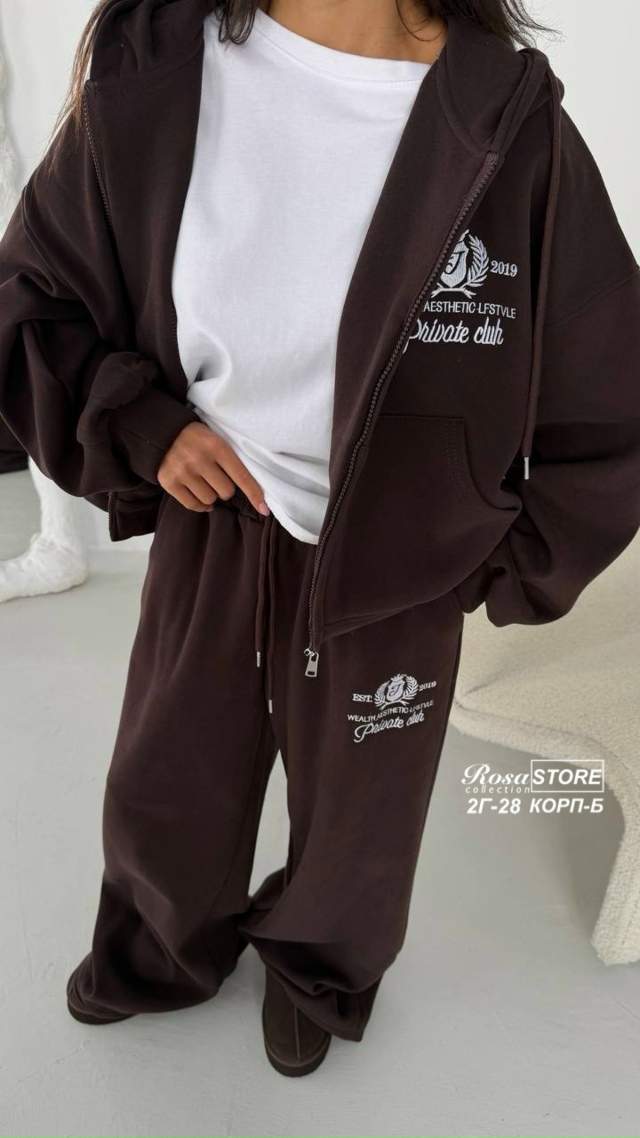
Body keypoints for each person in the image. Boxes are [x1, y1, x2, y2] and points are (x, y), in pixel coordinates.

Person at [1, 0, 639, 1078]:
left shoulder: (504, 116)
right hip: (217, 511)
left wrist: (500, 553)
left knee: (362, 815)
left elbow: (605, 368)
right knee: (170, 771)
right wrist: (144, 426)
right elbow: (36, 290)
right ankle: (159, 948)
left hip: (402, 553)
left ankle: (319, 969)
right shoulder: (160, 58)